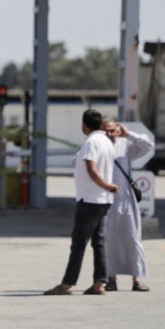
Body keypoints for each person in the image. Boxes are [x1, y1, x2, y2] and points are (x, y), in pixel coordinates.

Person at [44, 109, 117, 295]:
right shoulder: (107, 142)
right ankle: (99, 283)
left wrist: (106, 185)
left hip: (91, 200)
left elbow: (92, 171)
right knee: (99, 242)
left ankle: (67, 284)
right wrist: (107, 189)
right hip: (103, 200)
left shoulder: (91, 142)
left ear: (84, 125)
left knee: (78, 244)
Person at [103, 118, 153, 292]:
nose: (109, 134)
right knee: (110, 240)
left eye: (112, 130)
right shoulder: (97, 146)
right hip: (106, 201)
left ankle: (136, 280)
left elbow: (147, 145)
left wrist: (128, 134)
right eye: (106, 131)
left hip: (126, 199)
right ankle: (111, 279)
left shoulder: (125, 145)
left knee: (133, 238)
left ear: (118, 130)